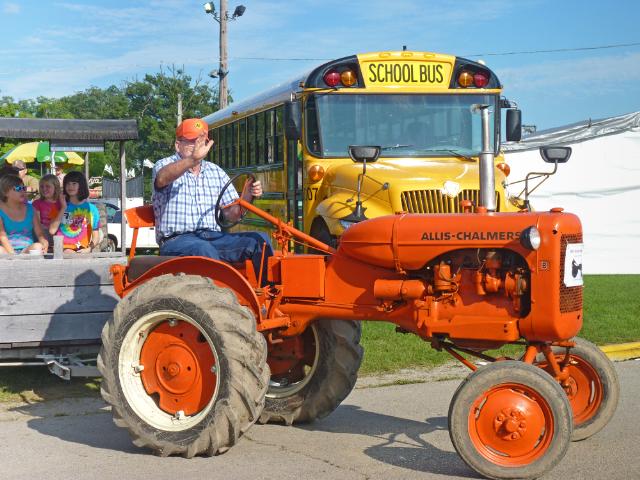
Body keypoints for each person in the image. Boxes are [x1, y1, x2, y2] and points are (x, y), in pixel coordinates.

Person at [153, 118, 273, 282]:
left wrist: (248, 195)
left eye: (201, 141)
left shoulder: (215, 171)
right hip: (176, 240)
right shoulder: (164, 165)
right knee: (203, 249)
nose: (197, 146)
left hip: (211, 236)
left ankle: (268, 296)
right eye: (191, 141)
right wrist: (191, 160)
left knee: (259, 241)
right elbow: (161, 179)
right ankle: (222, 300)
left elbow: (232, 215)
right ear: (177, 145)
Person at [49, 171, 101, 254]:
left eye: (74, 183)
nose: (70, 186)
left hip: (82, 252)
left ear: (81, 185)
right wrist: (63, 208)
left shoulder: (92, 209)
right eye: (68, 184)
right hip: (62, 250)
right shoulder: (58, 206)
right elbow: (52, 231)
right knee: (69, 252)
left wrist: (89, 249)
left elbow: (96, 235)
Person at [0, 174, 48, 254]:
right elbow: (2, 237)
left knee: (38, 246)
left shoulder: (30, 209)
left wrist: (43, 241)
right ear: (5, 192)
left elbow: (39, 233)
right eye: (18, 188)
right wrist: (13, 255)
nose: (22, 191)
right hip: (7, 250)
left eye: (23, 188)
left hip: (27, 250)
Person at [32, 174, 62, 248]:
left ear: (56, 187)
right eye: (42, 186)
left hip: (58, 231)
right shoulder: (37, 203)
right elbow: (37, 224)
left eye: (48, 186)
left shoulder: (61, 203)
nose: (44, 189)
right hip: (43, 233)